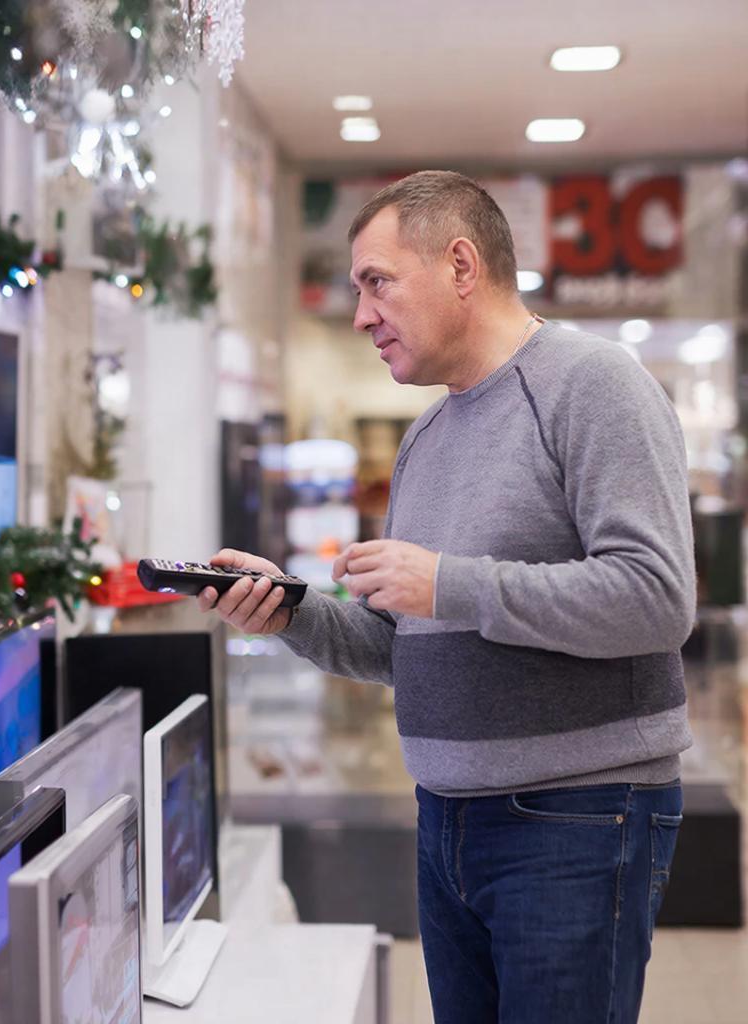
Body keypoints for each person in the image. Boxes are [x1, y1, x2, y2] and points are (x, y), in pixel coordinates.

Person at [197, 170, 695, 1023]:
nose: (360, 315)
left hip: (579, 820)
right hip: (444, 822)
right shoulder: (428, 434)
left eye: (376, 282)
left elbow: (656, 596)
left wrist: (449, 582)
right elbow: (407, 644)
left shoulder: (594, 384)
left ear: (461, 265)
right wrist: (292, 612)